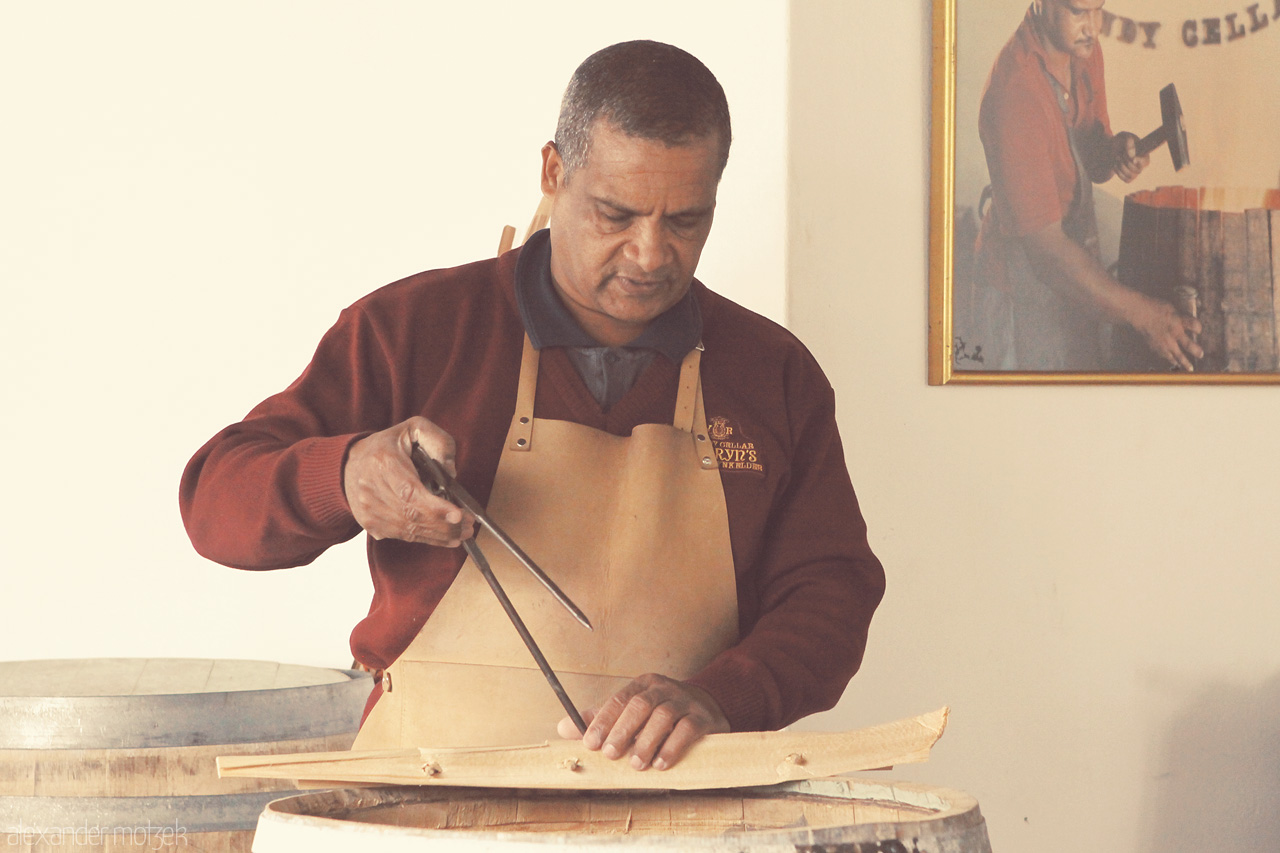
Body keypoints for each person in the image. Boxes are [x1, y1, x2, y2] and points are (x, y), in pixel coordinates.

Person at [180, 40, 884, 771]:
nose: (649, 253)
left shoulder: (772, 372)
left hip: (684, 817)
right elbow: (214, 502)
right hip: (421, 814)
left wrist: (726, 697)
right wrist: (347, 474)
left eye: (685, 221)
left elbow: (832, 592)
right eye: (616, 213)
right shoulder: (416, 329)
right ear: (554, 171)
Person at [972, 0, 1203, 371]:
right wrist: (1145, 315)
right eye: (1079, 11)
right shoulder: (1015, 92)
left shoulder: (1084, 53)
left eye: (1099, 9)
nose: (1093, 26)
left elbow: (1092, 161)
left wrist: (1116, 151)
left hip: (1074, 276)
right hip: (1020, 292)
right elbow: (1046, 254)